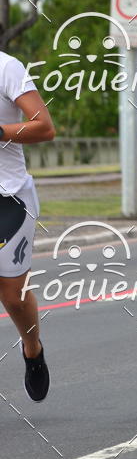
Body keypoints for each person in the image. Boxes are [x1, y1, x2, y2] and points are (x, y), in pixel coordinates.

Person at [0, 51, 55, 400]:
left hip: (9, 197)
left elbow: (44, 126)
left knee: (11, 293)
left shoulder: (6, 67)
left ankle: (32, 347)